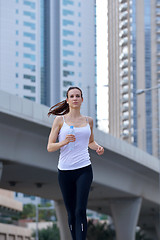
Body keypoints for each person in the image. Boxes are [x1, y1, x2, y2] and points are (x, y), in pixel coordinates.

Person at [47, 86, 104, 240]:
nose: (75, 98)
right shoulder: (60, 120)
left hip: (84, 169)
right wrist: (63, 142)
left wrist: (97, 147)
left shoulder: (88, 121)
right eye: (72, 96)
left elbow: (90, 142)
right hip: (64, 171)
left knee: (80, 210)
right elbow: (50, 147)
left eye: (78, 96)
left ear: (82, 99)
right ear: (67, 100)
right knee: (71, 212)